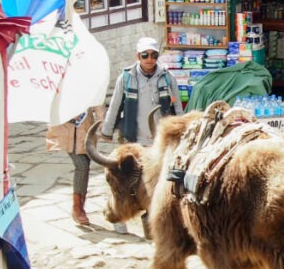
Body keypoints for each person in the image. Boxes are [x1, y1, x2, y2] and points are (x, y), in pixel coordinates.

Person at [99, 36, 184, 233]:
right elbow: (114, 106)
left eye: (153, 55)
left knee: (153, 181)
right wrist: (107, 130)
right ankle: (118, 216)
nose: (149, 59)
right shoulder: (126, 77)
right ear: (138, 56)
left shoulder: (167, 78)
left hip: (158, 141)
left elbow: (177, 107)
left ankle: (151, 218)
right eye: (145, 55)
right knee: (122, 180)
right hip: (133, 137)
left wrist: (181, 131)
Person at [46, 107, 104, 226]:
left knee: (85, 165)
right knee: (82, 165)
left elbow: (98, 104)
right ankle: (77, 208)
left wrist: (103, 125)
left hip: (85, 130)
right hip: (65, 129)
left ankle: (81, 205)